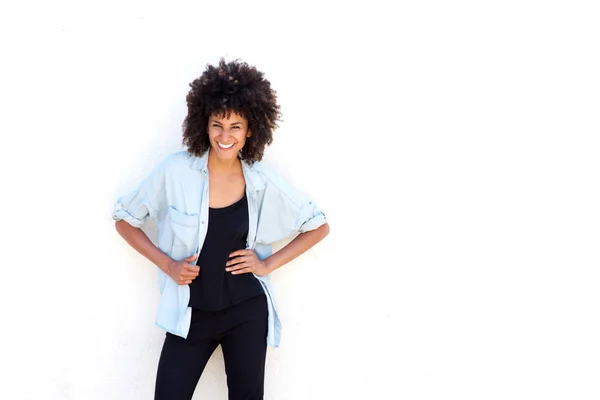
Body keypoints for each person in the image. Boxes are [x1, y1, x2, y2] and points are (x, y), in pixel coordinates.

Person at [111, 58, 330, 400]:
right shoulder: (175, 171)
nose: (225, 137)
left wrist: (266, 265)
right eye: (217, 125)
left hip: (245, 311)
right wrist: (168, 265)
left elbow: (317, 225)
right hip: (190, 314)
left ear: (251, 129)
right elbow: (124, 219)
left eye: (236, 127)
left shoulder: (260, 179)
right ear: (204, 124)